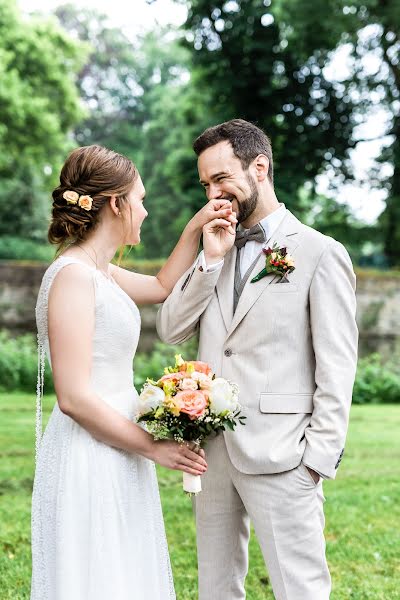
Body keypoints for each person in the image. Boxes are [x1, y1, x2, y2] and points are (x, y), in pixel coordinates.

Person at [156, 119, 358, 600]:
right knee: (216, 588)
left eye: (221, 179)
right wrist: (208, 261)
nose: (213, 194)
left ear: (259, 168)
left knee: (299, 589)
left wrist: (317, 460)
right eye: (205, 184)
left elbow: (337, 366)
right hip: (214, 452)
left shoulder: (319, 253)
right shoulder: (215, 246)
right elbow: (170, 329)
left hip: (286, 454)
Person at [31, 144, 237, 600]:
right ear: (117, 204)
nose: (144, 212)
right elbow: (73, 397)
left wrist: (198, 226)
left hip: (119, 447)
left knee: (123, 572)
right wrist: (154, 447)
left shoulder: (100, 271)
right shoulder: (73, 276)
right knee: (97, 575)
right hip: (91, 451)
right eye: (140, 200)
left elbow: (163, 286)